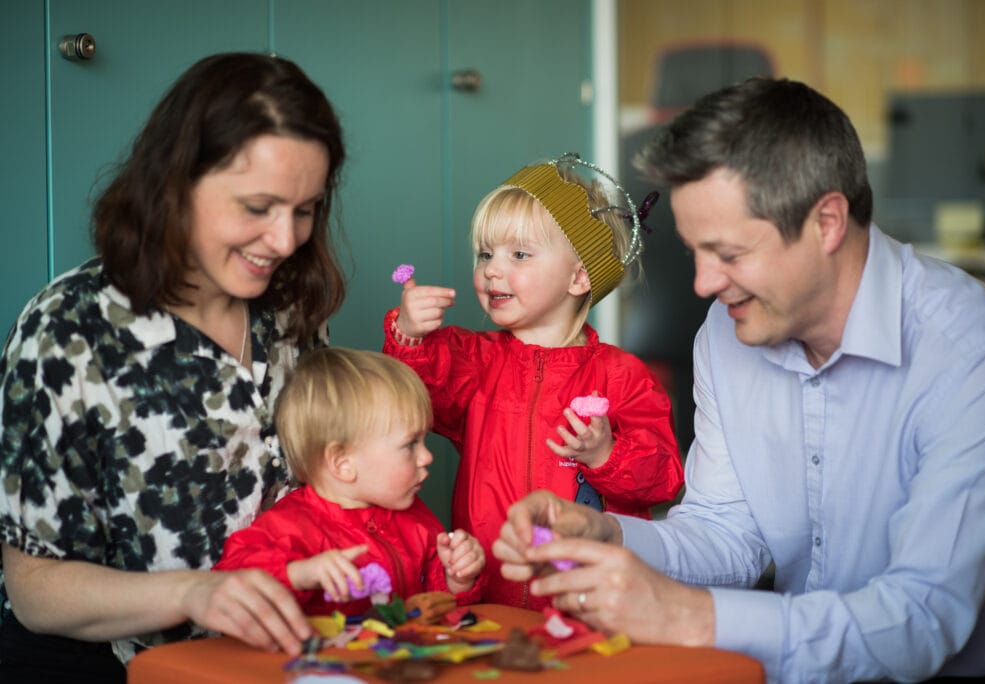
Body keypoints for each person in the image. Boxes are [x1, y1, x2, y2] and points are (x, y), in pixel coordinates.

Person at [492, 77, 985, 683]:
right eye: (694, 252)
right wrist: (608, 533)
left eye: (729, 253)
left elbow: (920, 621)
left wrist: (686, 617)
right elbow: (727, 537)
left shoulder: (981, 356)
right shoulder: (727, 335)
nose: (703, 284)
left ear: (826, 222)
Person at [0, 52, 348, 681]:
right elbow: (34, 589)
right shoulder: (69, 331)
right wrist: (195, 593)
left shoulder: (293, 310)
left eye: (305, 210)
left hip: (281, 657)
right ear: (176, 183)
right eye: (257, 207)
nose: (286, 240)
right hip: (123, 666)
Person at [383, 153, 684, 609]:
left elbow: (663, 478)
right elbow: (414, 394)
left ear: (579, 276)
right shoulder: (476, 360)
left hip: (588, 605)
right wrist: (408, 334)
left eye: (518, 254)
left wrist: (606, 454)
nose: (492, 269)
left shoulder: (622, 376)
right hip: (486, 594)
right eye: (486, 253)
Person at [214, 347, 485, 614]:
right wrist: (297, 574)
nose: (427, 456)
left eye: (424, 439)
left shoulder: (416, 519)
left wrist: (457, 580)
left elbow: (437, 607)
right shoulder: (290, 527)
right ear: (343, 464)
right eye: (410, 444)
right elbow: (229, 580)